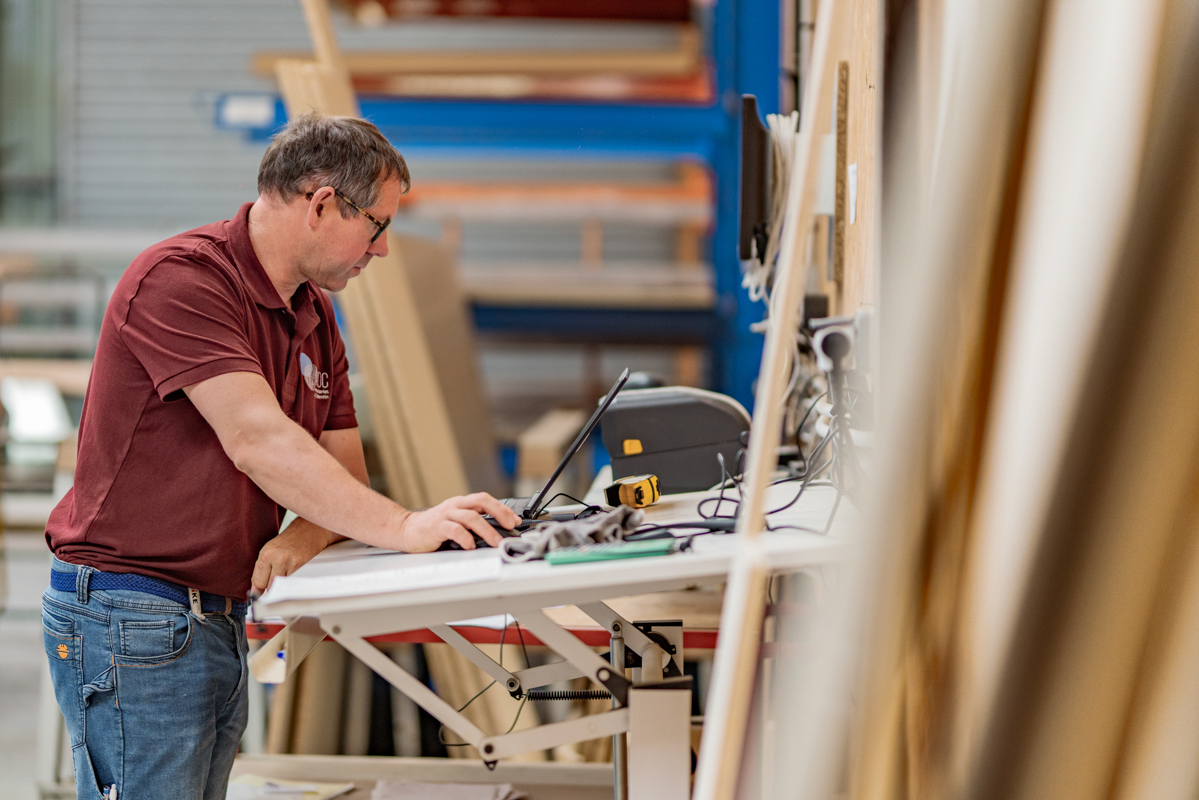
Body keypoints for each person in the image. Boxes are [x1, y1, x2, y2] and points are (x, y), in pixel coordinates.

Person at [40, 112, 521, 800]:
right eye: (377, 226)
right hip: (133, 614)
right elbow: (258, 440)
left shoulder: (312, 315)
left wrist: (305, 532)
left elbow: (341, 479)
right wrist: (406, 527)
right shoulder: (182, 281)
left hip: (214, 614)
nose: (381, 250)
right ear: (321, 203)